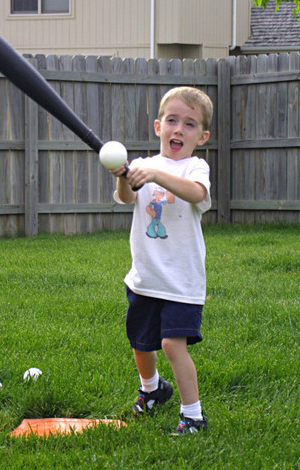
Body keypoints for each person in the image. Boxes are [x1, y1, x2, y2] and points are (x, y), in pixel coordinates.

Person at [109, 86, 213, 436]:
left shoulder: (195, 168)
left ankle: (193, 415)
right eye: (172, 120)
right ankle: (152, 389)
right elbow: (127, 198)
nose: (179, 129)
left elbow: (196, 194)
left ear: (202, 136)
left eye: (190, 124)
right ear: (158, 127)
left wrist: (154, 176)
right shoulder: (142, 165)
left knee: (171, 344)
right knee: (141, 343)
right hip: (145, 277)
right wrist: (124, 177)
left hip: (182, 281)